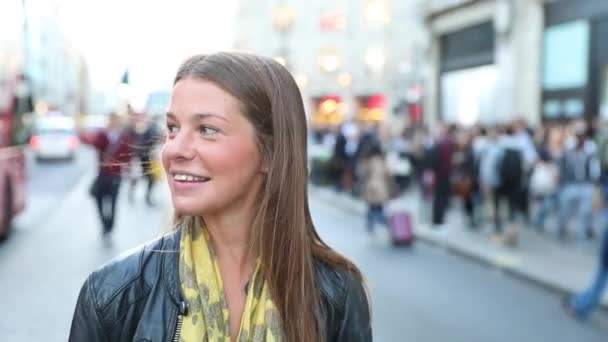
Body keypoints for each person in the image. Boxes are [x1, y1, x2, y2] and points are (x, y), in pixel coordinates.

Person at [69, 52, 371, 342]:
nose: (174, 149)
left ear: (270, 153)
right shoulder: (112, 296)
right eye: (173, 128)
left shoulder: (337, 294)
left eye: (207, 129)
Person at [84, 113, 132, 236]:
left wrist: (128, 169)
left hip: (116, 175)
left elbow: (127, 155)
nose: (113, 122)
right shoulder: (102, 134)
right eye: (111, 120)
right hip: (102, 174)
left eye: (115, 120)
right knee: (98, 199)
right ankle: (104, 224)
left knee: (113, 202)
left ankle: (110, 225)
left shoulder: (123, 137)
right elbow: (95, 144)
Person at [126, 111, 160, 206]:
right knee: (139, 177)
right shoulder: (145, 128)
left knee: (150, 178)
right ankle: (135, 195)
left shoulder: (150, 128)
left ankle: (145, 197)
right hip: (142, 157)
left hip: (146, 157)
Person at [360, 143, 391, 233]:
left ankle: (372, 225)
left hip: (371, 187)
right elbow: (388, 174)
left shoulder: (368, 161)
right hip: (382, 188)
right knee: (379, 207)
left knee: (371, 207)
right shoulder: (383, 160)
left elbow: (363, 173)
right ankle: (383, 222)